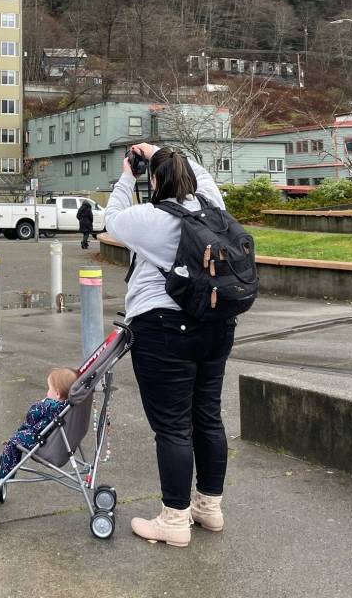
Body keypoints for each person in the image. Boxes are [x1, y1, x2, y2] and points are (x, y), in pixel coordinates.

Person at [105, 143, 233, 548]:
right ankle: (208, 508)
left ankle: (174, 519)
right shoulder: (212, 205)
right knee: (207, 417)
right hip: (216, 326)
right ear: (190, 175)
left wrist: (129, 174)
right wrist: (163, 150)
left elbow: (110, 220)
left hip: (164, 329)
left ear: (155, 181)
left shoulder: (150, 217)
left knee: (173, 427)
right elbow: (204, 179)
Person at [0, 367, 78, 481]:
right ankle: (5, 475)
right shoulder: (68, 407)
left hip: (42, 440)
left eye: (49, 389)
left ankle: (3, 477)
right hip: (59, 442)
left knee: (14, 442)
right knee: (17, 437)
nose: (47, 392)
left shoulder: (49, 406)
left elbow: (31, 416)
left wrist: (41, 404)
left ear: (57, 394)